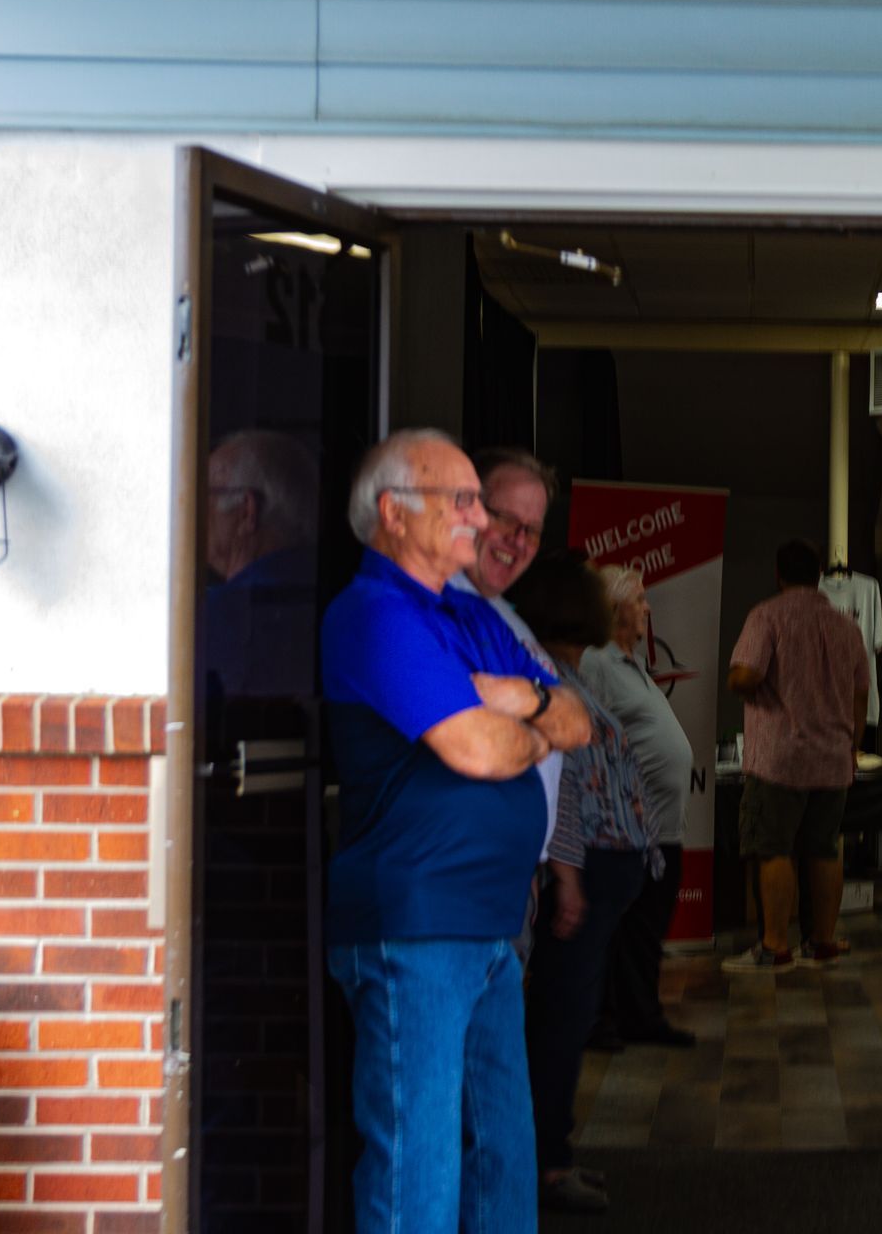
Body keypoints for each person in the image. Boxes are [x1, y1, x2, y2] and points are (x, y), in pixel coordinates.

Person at [319, 429, 591, 1233]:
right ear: (394, 514)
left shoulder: (469, 616)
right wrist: (522, 720)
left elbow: (577, 719)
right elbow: (475, 749)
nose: (481, 518)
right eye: (464, 500)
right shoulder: (373, 614)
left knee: (504, 1155)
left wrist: (528, 707)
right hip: (416, 932)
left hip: (486, 929)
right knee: (418, 1169)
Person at [514, 556, 655, 1215]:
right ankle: (546, 1164)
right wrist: (569, 877)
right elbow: (562, 789)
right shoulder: (544, 676)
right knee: (560, 1021)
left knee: (565, 1018)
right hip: (583, 871)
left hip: (600, 870)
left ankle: (551, 1156)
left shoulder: (565, 673)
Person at [723, 539, 869, 973]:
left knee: (773, 849)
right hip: (833, 757)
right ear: (819, 572)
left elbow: (747, 673)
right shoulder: (847, 627)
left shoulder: (767, 615)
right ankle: (821, 943)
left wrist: (740, 683)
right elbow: (860, 695)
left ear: (778, 574)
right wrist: (853, 746)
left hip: (779, 758)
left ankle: (774, 948)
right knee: (824, 849)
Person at [448, 447, 565, 962]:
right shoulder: (435, 603)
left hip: (513, 877)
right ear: (467, 509)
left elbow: (573, 720)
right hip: (462, 884)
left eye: (533, 530)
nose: (519, 541)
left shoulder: (504, 618)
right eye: (506, 519)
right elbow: (477, 744)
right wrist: (544, 725)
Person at [580, 563, 697, 1047]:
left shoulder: (633, 665)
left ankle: (639, 1015)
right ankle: (606, 1020)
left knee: (643, 934)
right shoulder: (597, 664)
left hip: (660, 831)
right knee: (621, 930)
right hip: (629, 829)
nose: (649, 609)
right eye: (641, 600)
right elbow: (586, 738)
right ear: (614, 608)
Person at [204, 428, 319, 698]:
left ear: (247, 512)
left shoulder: (217, 616)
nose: (193, 513)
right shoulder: (338, 594)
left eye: (205, 495)